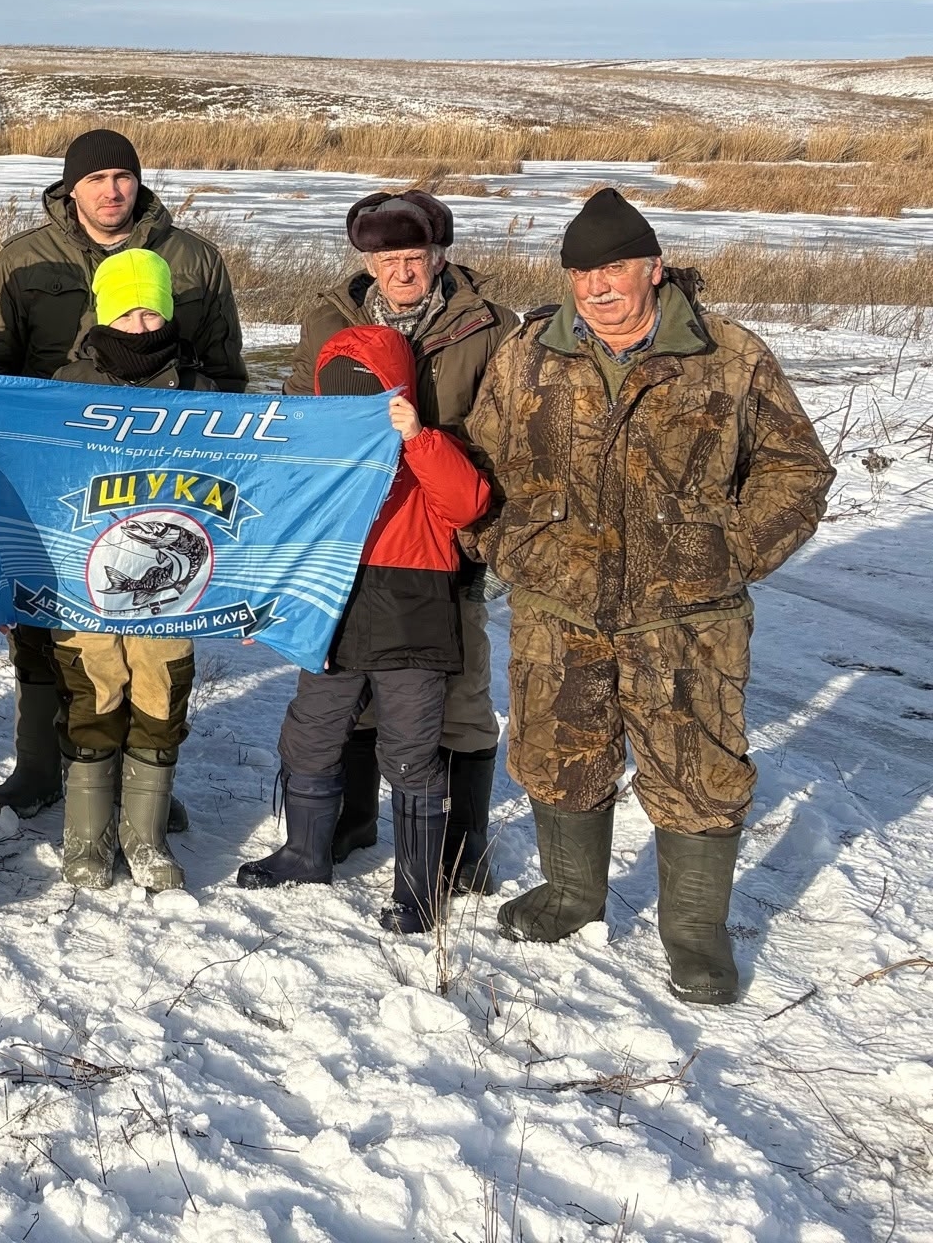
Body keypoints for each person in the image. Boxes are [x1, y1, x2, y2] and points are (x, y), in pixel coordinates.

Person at [467, 189, 830, 1005]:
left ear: (653, 269)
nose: (596, 287)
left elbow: (797, 470)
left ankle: (695, 935)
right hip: (560, 606)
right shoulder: (529, 355)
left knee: (697, 768)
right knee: (559, 753)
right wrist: (506, 545)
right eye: (581, 272)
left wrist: (730, 550)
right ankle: (571, 895)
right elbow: (480, 464)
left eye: (614, 268)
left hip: (688, 615)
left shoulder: (729, 356)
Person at [0, 129, 246, 824]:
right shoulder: (25, 259)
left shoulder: (191, 259)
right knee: (47, 626)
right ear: (72, 189)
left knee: (153, 620)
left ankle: (144, 782)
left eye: (123, 177)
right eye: (96, 180)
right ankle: (38, 767)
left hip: (161, 481)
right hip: (53, 476)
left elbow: (228, 374)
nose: (111, 191)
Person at [288, 189, 515, 892]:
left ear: (441, 256)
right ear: (367, 259)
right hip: (352, 544)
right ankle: (350, 822)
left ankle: (460, 849)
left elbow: (507, 440)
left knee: (460, 702)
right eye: (387, 258)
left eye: (415, 257)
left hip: (448, 538)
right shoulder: (330, 316)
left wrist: (465, 499)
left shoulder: (489, 326)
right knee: (346, 693)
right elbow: (302, 415)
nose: (402, 271)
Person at [236, 326, 491, 934]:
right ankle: (305, 853)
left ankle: (418, 889)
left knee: (410, 751)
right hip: (330, 614)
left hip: (413, 619)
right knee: (310, 736)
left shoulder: (426, 450)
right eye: (342, 396)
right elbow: (276, 531)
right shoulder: (313, 460)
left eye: (372, 394)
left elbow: (468, 504)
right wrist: (262, 605)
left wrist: (418, 438)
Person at [44, 248, 216, 891]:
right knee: (93, 690)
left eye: (152, 311)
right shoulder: (65, 387)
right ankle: (87, 836)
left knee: (160, 690)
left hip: (174, 585)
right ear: (104, 314)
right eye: (128, 311)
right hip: (84, 579)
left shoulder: (200, 392)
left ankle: (144, 836)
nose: (141, 324)